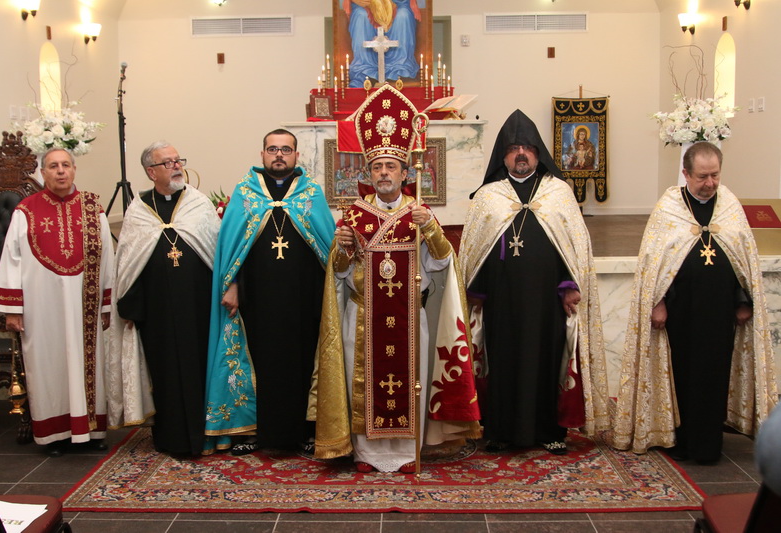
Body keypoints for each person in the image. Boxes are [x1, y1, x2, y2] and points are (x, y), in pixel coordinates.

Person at [311, 85, 481, 473]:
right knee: (366, 384)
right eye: (377, 167)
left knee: (411, 380)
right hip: (364, 316)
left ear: (405, 172)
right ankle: (367, 454)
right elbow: (338, 274)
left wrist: (432, 230)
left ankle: (407, 453)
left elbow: (441, 267)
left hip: (408, 317)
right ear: (368, 174)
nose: (384, 173)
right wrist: (340, 248)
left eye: (391, 167)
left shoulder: (418, 213)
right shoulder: (353, 216)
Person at [613, 142, 777, 464]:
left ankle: (708, 444)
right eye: (703, 176)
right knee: (683, 376)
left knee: (714, 376)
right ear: (686, 174)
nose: (710, 183)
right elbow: (654, 264)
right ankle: (681, 440)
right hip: (680, 312)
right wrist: (657, 303)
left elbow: (744, 259)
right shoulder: (669, 209)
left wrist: (744, 302)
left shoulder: (728, 205)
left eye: (715, 175)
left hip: (720, 313)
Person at [458, 109, 610, 456]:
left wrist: (571, 284)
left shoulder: (558, 193)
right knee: (501, 363)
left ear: (539, 152)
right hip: (500, 302)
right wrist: (476, 291)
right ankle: (498, 430)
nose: (521, 154)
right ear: (503, 155)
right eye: (513, 149)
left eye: (527, 147)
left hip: (546, 301)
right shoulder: (489, 196)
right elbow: (474, 250)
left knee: (548, 362)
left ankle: (550, 430)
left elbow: (573, 248)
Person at [204, 129, 335, 456]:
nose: (279, 155)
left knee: (304, 363)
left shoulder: (311, 193)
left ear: (296, 156)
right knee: (257, 363)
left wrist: (329, 293)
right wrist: (231, 285)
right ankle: (253, 430)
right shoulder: (245, 193)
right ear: (262, 154)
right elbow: (232, 247)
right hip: (255, 300)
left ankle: (306, 430)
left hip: (304, 299)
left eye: (286, 150)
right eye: (273, 149)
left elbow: (326, 246)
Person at [0, 147, 114, 457]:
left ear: (74, 169)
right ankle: (54, 435)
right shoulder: (26, 211)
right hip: (40, 306)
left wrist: (107, 302)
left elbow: (109, 259)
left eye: (65, 165)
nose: (60, 171)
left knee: (90, 364)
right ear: (43, 173)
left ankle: (92, 431)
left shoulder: (93, 207)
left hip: (85, 305)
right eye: (53, 166)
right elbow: (11, 260)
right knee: (48, 366)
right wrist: (12, 310)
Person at [107, 141, 221, 457]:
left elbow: (216, 253)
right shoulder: (138, 211)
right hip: (157, 314)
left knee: (201, 370)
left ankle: (207, 434)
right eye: (167, 162)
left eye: (178, 160)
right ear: (150, 171)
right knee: (166, 374)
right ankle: (170, 437)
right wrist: (132, 305)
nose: (176, 166)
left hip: (200, 308)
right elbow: (129, 261)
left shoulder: (199, 205)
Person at [344, 0, 422, 87]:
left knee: (403, 16)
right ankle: (365, 71)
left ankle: (399, 70)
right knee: (361, 16)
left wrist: (413, 2)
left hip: (397, 2)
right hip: (365, 2)